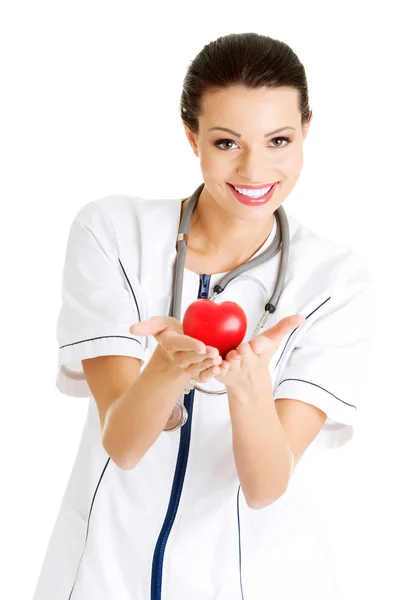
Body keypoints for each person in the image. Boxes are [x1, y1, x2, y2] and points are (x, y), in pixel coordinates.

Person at [33, 33, 374, 599]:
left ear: (306, 131)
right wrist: (167, 369)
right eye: (226, 142)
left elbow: (266, 486)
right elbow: (123, 445)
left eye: (279, 140)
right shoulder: (114, 234)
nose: (254, 168)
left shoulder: (334, 281)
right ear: (192, 137)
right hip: (102, 573)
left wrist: (248, 389)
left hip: (249, 580)